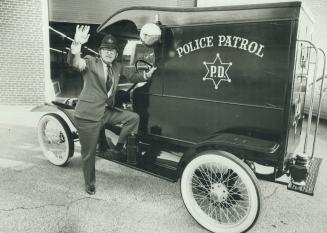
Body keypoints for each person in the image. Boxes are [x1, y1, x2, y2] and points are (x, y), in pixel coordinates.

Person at [68, 25, 157, 195]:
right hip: (88, 116)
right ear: (100, 52)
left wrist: (146, 75)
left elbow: (132, 76)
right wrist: (76, 45)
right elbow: (75, 63)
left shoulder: (117, 67)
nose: (109, 53)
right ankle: (90, 184)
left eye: (112, 50)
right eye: (105, 49)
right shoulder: (90, 62)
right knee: (89, 154)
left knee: (133, 118)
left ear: (116, 54)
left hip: (106, 112)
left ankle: (118, 148)